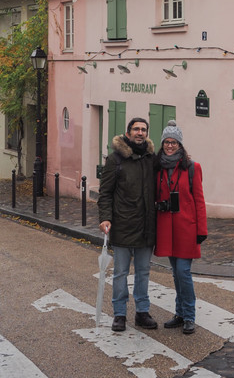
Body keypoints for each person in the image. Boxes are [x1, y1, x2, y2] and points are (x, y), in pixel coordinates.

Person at [98, 116, 157, 333]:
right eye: (136, 129)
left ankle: (142, 312)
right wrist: (105, 218)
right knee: (120, 272)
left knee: (143, 272)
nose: (140, 133)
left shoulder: (151, 158)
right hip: (122, 224)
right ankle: (119, 314)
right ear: (128, 132)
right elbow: (105, 193)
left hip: (146, 226)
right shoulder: (116, 159)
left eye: (143, 129)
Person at [154, 120, 207, 335]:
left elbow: (199, 200)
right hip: (166, 228)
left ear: (180, 144)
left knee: (184, 272)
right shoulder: (157, 168)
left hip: (186, 228)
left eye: (173, 142)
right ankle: (179, 313)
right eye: (166, 142)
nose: (169, 145)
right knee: (175, 274)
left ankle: (189, 316)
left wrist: (201, 230)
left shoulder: (192, 168)